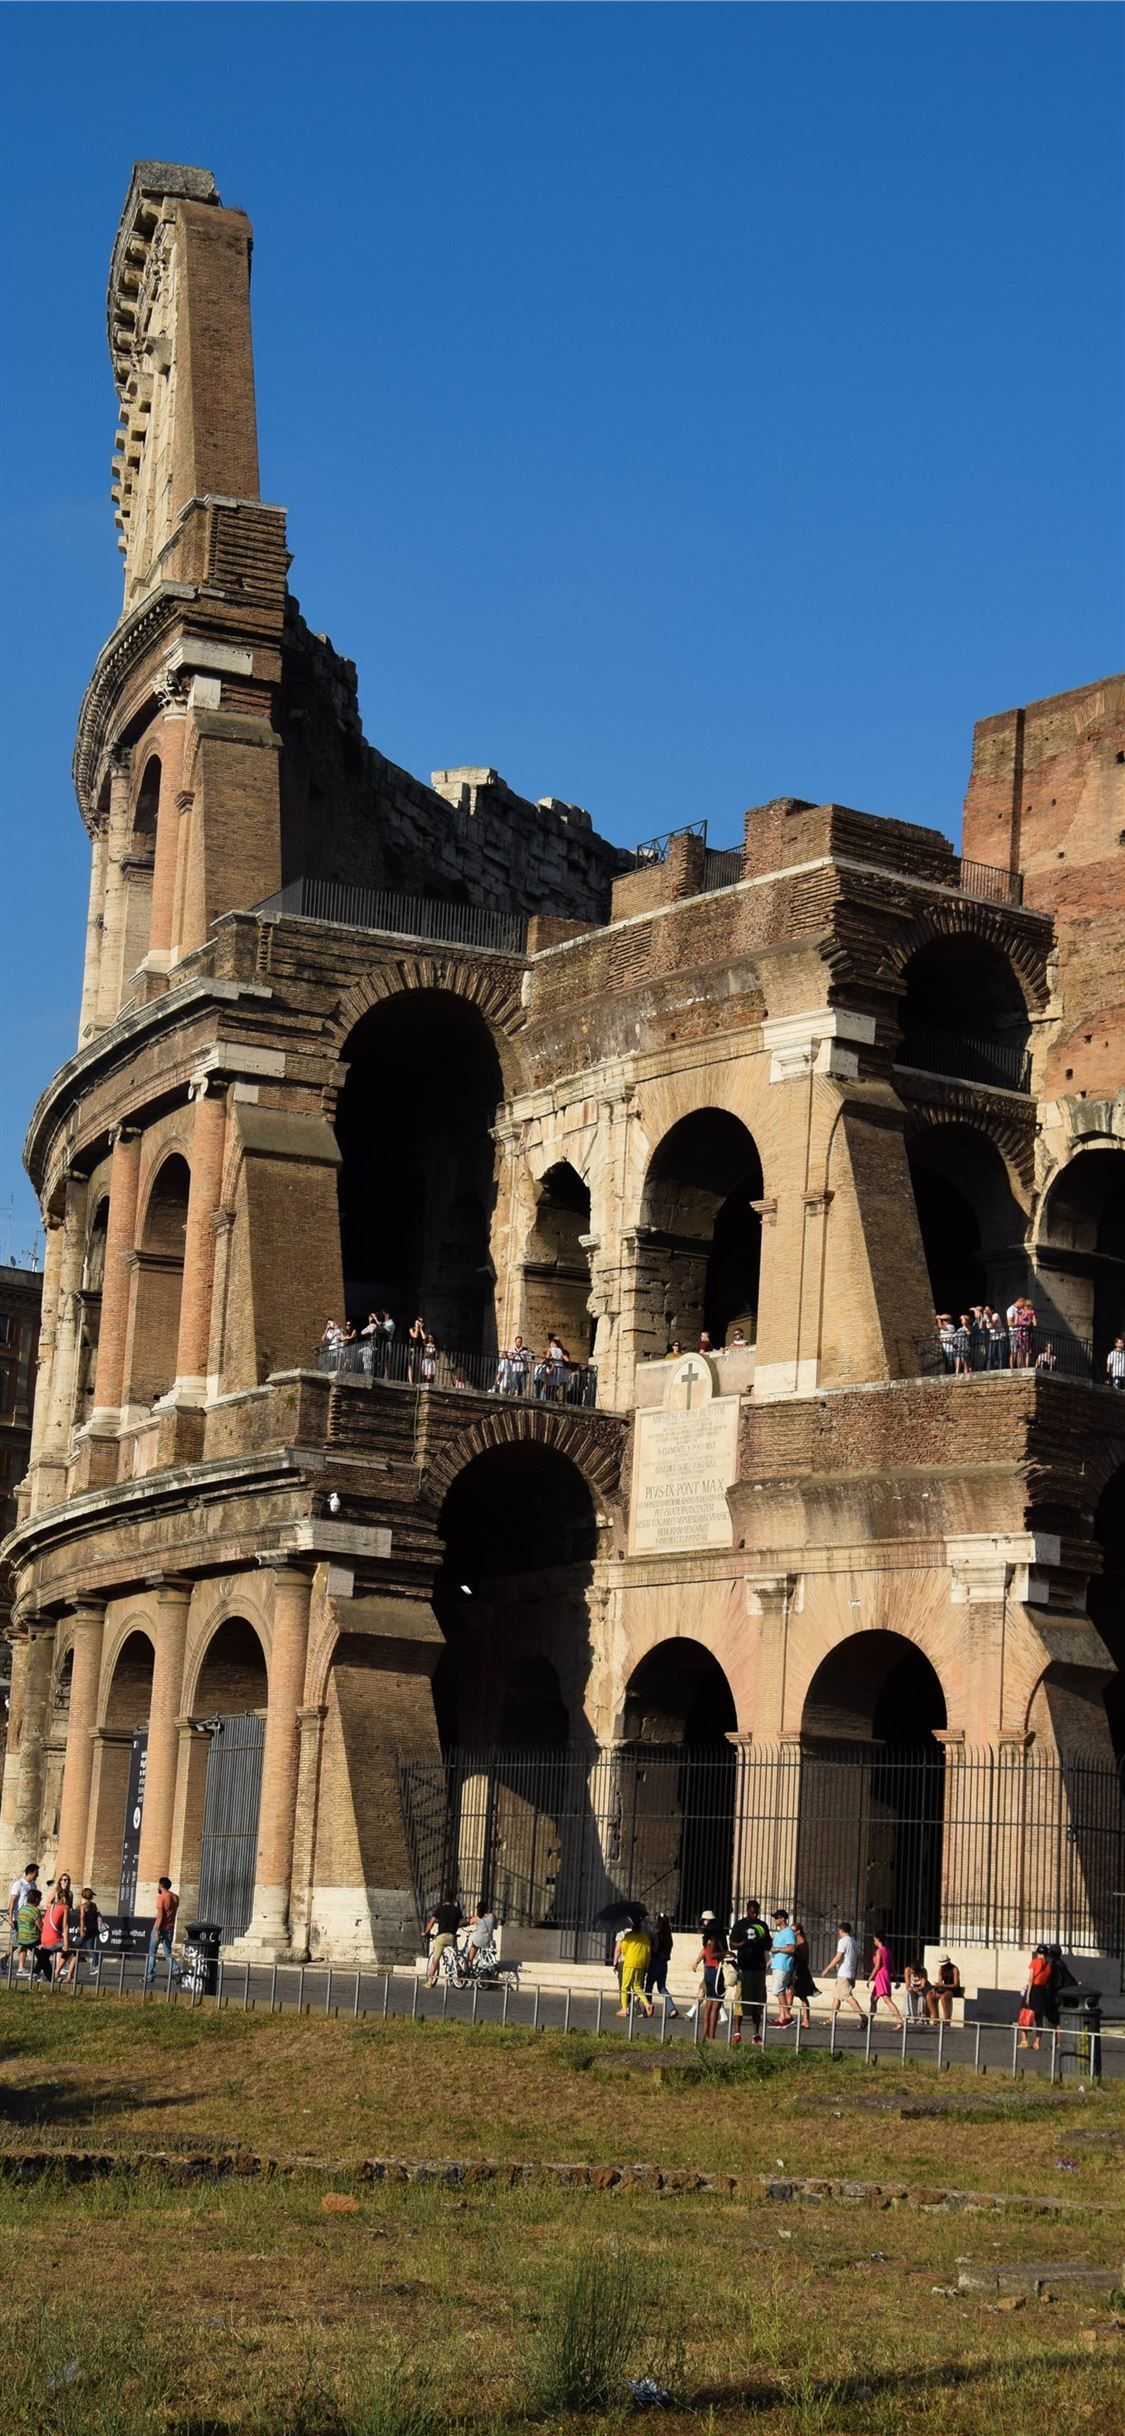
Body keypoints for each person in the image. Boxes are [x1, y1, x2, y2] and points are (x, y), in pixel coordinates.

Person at [732, 1906, 771, 2044]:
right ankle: (737, 2032)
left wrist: (760, 1942)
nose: (755, 1915)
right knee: (740, 2001)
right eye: (752, 1912)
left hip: (759, 1968)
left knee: (758, 2002)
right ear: (747, 1910)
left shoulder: (762, 1926)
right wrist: (743, 1943)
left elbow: (769, 1944)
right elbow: (732, 1945)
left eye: (757, 1912)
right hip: (744, 1968)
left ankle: (756, 2034)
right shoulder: (739, 1925)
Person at [692, 1915, 727, 2041]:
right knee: (715, 2006)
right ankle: (711, 2036)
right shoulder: (715, 1939)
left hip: (708, 1970)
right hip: (716, 1971)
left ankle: (705, 2035)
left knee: (708, 2004)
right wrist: (726, 1953)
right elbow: (713, 1954)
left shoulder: (706, 1939)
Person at [824, 1920, 866, 2023]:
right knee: (837, 1996)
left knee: (847, 1997)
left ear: (841, 1930)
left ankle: (864, 2017)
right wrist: (854, 1975)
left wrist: (828, 1968)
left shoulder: (843, 1941)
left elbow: (838, 1957)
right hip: (850, 1973)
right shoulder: (855, 1943)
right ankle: (832, 2019)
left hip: (844, 1973)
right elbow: (857, 1960)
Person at [1020, 1943, 1059, 2051]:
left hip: (1034, 1990)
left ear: (1038, 1953)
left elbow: (1031, 1979)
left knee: (1024, 2015)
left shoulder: (1035, 1962)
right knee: (1039, 2018)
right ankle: (1037, 2042)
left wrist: (1028, 1995)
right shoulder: (1049, 1966)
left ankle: (1024, 2040)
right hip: (1042, 1992)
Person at [145, 1877, 182, 1986]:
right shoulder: (176, 1897)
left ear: (161, 1886)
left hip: (160, 1927)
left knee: (152, 1952)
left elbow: (160, 1915)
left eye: (158, 1885)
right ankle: (177, 1971)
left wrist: (157, 1930)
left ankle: (149, 1976)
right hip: (170, 1928)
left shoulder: (161, 1897)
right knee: (168, 1953)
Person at [615, 1915, 653, 2017]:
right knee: (637, 1987)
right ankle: (647, 2004)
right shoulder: (645, 1937)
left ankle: (624, 2009)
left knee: (624, 1987)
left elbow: (623, 1950)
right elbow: (648, 1952)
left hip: (630, 1963)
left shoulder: (629, 1936)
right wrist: (646, 1966)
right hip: (641, 1964)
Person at [40, 1873, 74, 1982]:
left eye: (68, 1880)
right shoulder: (60, 1900)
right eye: (64, 1879)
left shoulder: (70, 1894)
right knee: (71, 1949)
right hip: (54, 1932)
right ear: (60, 1881)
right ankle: (59, 1973)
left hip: (46, 1936)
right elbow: (65, 1926)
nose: (66, 1882)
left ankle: (57, 1972)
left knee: (61, 1948)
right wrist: (66, 1943)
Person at [7, 1862, 39, 1975]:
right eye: (36, 1873)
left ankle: (21, 1967)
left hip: (28, 1919)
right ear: (30, 1872)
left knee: (25, 1942)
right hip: (18, 1918)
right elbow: (12, 1901)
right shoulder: (19, 1884)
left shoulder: (33, 1885)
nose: (37, 1876)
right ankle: (4, 1959)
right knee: (16, 1942)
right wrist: (10, 1917)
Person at [644, 1913, 678, 2018]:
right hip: (664, 1963)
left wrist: (649, 1947)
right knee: (662, 1987)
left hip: (655, 1962)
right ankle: (671, 2008)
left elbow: (655, 1949)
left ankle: (648, 2008)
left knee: (649, 1986)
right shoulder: (668, 1935)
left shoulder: (657, 1934)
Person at [424, 1892, 463, 1985]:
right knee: (456, 1957)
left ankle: (429, 1981)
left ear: (444, 1899)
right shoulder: (456, 1910)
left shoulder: (440, 1909)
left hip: (441, 1936)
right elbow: (461, 1922)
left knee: (435, 1960)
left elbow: (431, 1922)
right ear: (453, 1899)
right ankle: (459, 1977)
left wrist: (425, 1932)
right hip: (452, 1936)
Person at [868, 1932, 903, 2027]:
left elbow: (877, 1966)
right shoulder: (888, 1951)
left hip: (880, 1976)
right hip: (886, 1975)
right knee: (873, 1999)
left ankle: (899, 2020)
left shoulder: (879, 1951)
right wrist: (896, 1979)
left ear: (878, 1940)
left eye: (875, 1940)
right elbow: (892, 1967)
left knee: (887, 2000)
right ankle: (869, 2021)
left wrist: (870, 1977)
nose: (874, 1942)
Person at [769, 1910, 797, 2024]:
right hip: (777, 1964)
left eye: (777, 1918)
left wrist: (778, 1949)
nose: (775, 1920)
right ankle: (782, 2016)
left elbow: (792, 1948)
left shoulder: (788, 1932)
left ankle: (788, 2015)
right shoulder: (780, 1933)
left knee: (778, 1990)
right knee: (779, 1991)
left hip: (783, 1965)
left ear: (783, 1919)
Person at [15, 1884, 48, 1981]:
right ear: (36, 1900)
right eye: (40, 1898)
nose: (40, 1900)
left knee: (42, 1955)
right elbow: (41, 1927)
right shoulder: (35, 1910)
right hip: (31, 1939)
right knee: (44, 1954)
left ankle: (36, 1973)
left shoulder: (22, 1909)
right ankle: (35, 1974)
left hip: (21, 1938)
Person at [791, 1923, 818, 2028]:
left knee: (801, 1995)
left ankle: (805, 2020)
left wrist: (794, 1952)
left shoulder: (802, 1942)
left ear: (798, 1931)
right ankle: (788, 2016)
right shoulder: (795, 1942)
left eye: (793, 1931)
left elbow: (804, 1959)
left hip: (801, 1971)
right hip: (796, 1970)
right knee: (793, 1994)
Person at [76, 1887, 102, 1977]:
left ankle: (69, 1962)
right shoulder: (94, 1905)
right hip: (93, 1929)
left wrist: (82, 1929)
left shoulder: (83, 1906)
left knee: (76, 1945)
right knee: (90, 1947)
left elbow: (82, 1918)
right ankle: (96, 1965)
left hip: (86, 1929)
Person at [930, 1954, 961, 2022]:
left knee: (944, 1997)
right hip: (944, 1989)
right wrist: (936, 1988)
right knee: (929, 1995)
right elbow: (940, 1981)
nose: (943, 1966)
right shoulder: (941, 1969)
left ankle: (946, 2020)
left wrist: (944, 1985)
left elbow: (956, 1984)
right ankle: (935, 2019)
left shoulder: (954, 1969)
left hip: (953, 1990)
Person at [903, 1957, 932, 2027]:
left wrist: (918, 1988)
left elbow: (923, 1985)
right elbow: (907, 1985)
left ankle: (921, 2017)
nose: (912, 1973)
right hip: (913, 1987)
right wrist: (911, 1989)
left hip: (923, 1988)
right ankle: (910, 2016)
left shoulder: (923, 1971)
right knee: (908, 1994)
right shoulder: (907, 1970)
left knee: (921, 1996)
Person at [985, 1307, 1008, 1371]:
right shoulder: (986, 1318)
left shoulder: (995, 1315)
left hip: (999, 1337)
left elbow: (992, 1326)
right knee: (991, 1355)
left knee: (1000, 1355)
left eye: (987, 1310)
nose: (986, 1311)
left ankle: (1000, 1368)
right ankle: (990, 1369)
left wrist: (989, 1318)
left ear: (992, 1310)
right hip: (992, 1338)